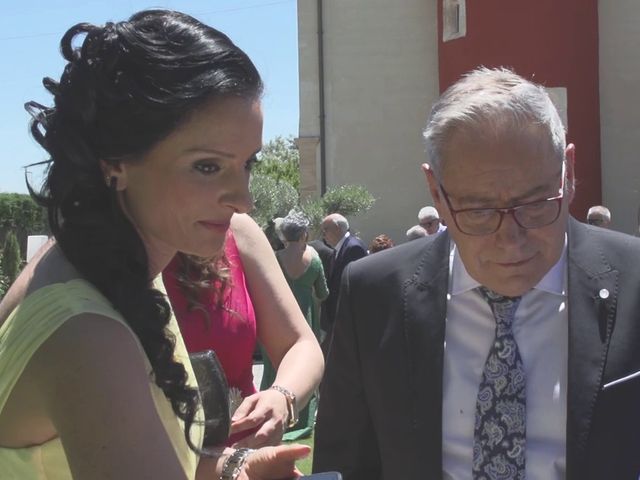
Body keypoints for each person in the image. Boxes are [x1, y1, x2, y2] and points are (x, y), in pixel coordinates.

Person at [0, 10, 312, 479]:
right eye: (207, 166)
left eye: (247, 164)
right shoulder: (89, 335)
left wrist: (233, 468)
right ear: (117, 162)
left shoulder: (100, 263)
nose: (244, 200)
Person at [314, 67, 640, 480]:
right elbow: (344, 466)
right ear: (436, 192)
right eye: (479, 211)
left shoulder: (634, 281)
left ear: (568, 172)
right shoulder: (373, 293)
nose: (511, 239)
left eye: (537, 203)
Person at [163, 212, 323, 447]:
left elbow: (300, 344)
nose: (244, 200)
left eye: (246, 172)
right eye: (210, 171)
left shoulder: (236, 228)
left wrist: (281, 396)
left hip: (248, 453)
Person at [261, 210, 329, 440]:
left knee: (275, 364)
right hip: (306, 316)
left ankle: (271, 414)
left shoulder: (276, 258)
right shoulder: (314, 258)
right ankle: (301, 418)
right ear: (304, 234)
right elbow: (323, 292)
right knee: (303, 363)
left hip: (278, 316)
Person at [319, 213, 367, 350]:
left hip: (348, 317)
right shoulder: (339, 249)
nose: (323, 234)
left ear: (337, 228)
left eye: (326, 229)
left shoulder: (353, 248)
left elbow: (357, 285)